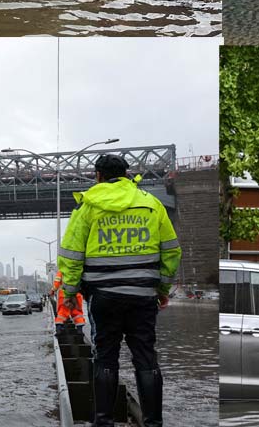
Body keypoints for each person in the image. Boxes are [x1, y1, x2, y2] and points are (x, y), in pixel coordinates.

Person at [56, 154, 181, 427]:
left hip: (103, 297)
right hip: (142, 296)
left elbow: (71, 256)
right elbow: (171, 251)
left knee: (105, 359)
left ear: (97, 175)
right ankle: (153, 423)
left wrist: (70, 291)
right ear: (127, 174)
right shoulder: (151, 204)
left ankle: (103, 422)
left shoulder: (88, 206)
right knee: (146, 359)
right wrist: (162, 289)